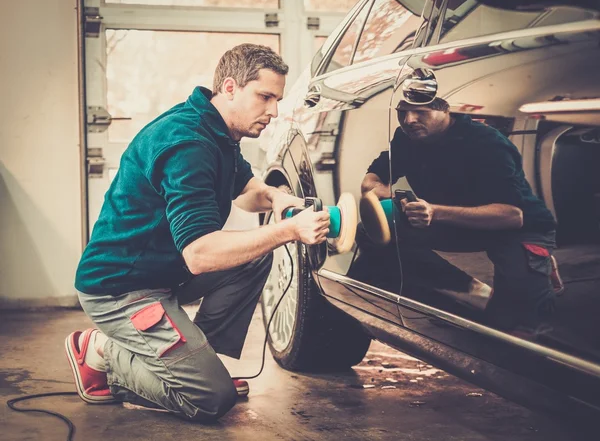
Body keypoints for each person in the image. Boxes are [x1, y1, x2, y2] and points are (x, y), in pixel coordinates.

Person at [66, 44, 330, 421]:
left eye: (277, 99)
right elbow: (200, 254)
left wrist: (276, 197)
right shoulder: (188, 144)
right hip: (120, 289)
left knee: (253, 258)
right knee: (210, 399)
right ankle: (102, 352)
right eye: (265, 97)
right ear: (229, 88)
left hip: (161, 275)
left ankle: (201, 365)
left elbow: (246, 193)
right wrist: (288, 230)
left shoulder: (217, 128)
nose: (273, 111)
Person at [360, 97, 561, 331]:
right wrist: (376, 188)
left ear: (446, 109)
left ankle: (536, 264)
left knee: (517, 324)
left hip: (517, 228)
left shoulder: (487, 143)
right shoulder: (406, 137)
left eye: (419, 112)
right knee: (369, 232)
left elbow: (512, 216)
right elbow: (373, 177)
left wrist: (435, 212)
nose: (408, 120)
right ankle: (472, 291)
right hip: (454, 222)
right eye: (402, 112)